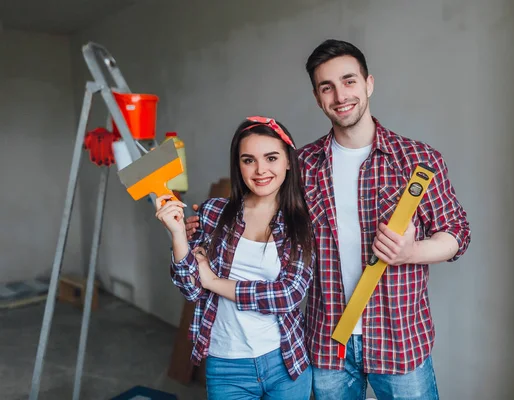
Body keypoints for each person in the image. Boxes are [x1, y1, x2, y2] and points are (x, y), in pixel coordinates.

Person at [186, 40, 471, 400]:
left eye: (349, 81)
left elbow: (457, 233)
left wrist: (410, 252)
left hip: (400, 338)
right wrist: (206, 226)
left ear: (368, 83)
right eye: (327, 87)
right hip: (327, 340)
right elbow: (255, 208)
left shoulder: (417, 159)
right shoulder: (301, 167)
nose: (340, 95)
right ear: (318, 97)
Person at [156, 116, 315, 400]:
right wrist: (178, 234)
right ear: (238, 165)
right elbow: (191, 289)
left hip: (286, 361)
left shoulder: (300, 221)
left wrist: (214, 281)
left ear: (288, 162)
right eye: (248, 160)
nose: (260, 170)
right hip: (226, 364)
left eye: (271, 158)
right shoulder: (214, 213)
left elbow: (287, 295)